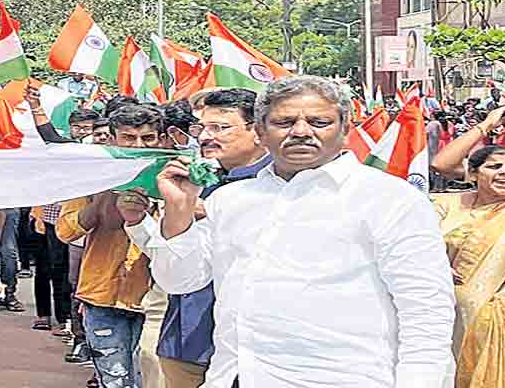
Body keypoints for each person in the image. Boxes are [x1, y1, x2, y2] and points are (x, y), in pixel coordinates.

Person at [138, 75, 455, 388]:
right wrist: (179, 211)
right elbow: (179, 280)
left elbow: (426, 312)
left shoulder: (390, 199)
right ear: (261, 131)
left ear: (345, 129)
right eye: (284, 122)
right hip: (232, 375)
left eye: (319, 122)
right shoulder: (229, 200)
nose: (301, 132)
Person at [125, 89, 267, 388]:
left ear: (258, 130)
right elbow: (173, 271)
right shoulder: (190, 180)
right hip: (187, 341)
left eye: (220, 127)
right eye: (201, 128)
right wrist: (149, 219)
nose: (204, 137)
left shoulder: (284, 188)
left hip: (256, 349)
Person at [57, 106, 161, 388]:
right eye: (128, 138)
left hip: (153, 302)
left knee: (148, 380)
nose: (139, 146)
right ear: (112, 139)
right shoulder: (91, 176)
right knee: (113, 381)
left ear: (161, 140)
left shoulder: (171, 176)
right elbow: (66, 231)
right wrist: (103, 194)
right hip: (101, 297)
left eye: (148, 138)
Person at [430, 140, 505, 387]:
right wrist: (486, 124)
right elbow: (440, 164)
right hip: (441, 311)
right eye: (495, 166)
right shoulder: (448, 204)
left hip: (493, 317)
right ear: (472, 173)